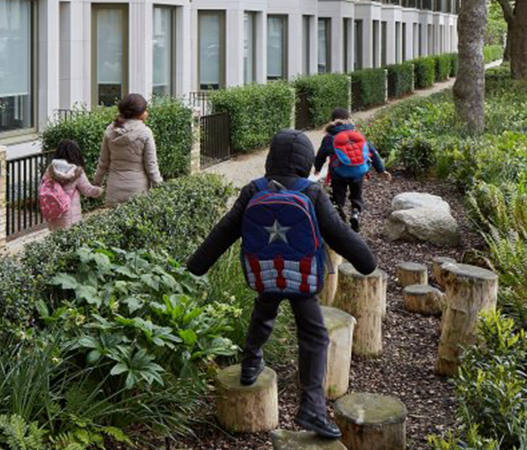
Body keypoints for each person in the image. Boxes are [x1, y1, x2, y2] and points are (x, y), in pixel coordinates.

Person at [186, 130, 378, 439]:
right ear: (305, 160)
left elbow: (224, 230)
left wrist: (197, 264)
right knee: (313, 335)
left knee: (263, 312)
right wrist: (367, 262)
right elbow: (339, 233)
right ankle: (312, 408)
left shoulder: (254, 189)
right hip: (302, 278)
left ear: (270, 157)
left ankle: (251, 363)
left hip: (265, 274)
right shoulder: (311, 192)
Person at [313, 108, 391, 232]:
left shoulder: (329, 137)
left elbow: (321, 155)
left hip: (338, 174)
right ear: (349, 119)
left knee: (338, 197)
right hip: (357, 173)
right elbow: (372, 152)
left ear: (332, 121)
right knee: (356, 195)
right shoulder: (356, 134)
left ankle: (339, 217)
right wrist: (381, 170)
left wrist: (317, 168)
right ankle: (355, 213)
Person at [93, 93, 163, 206]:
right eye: (145, 110)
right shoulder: (145, 133)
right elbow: (151, 166)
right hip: (138, 190)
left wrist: (96, 183)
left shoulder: (110, 131)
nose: (147, 113)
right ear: (139, 113)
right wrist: (160, 188)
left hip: (114, 189)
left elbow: (103, 163)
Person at [40, 140, 103, 232]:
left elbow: (43, 186)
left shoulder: (50, 170)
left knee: (57, 236)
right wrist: (100, 190)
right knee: (70, 235)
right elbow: (88, 190)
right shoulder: (76, 172)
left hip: (55, 212)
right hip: (70, 214)